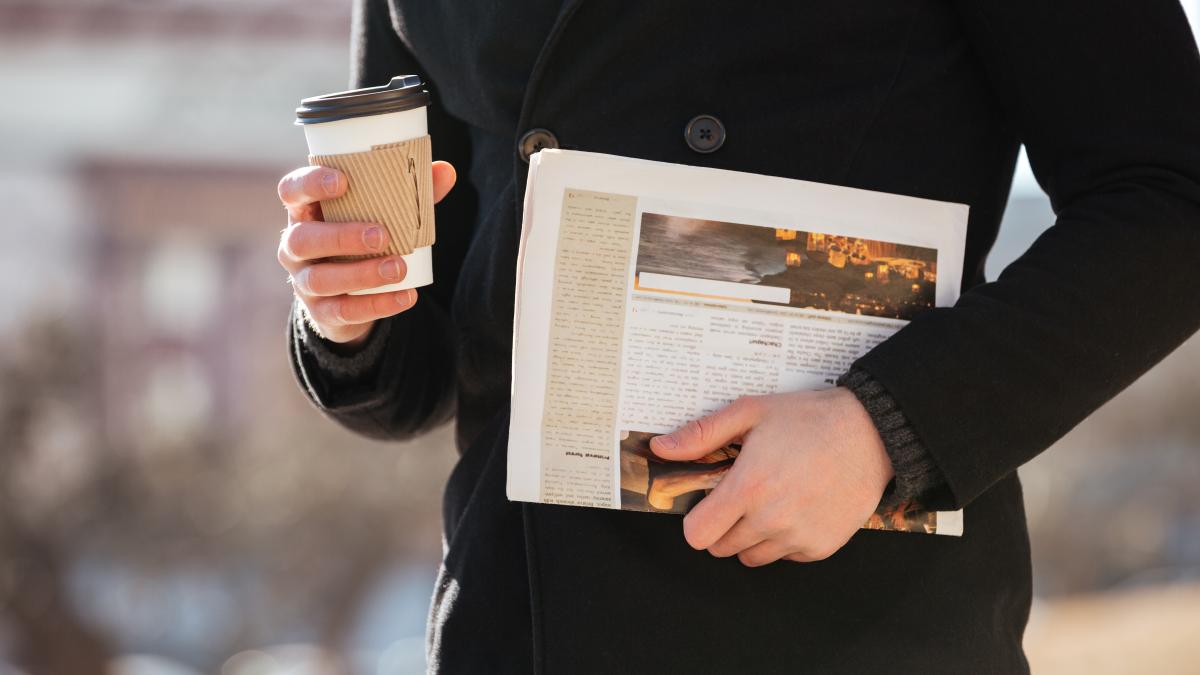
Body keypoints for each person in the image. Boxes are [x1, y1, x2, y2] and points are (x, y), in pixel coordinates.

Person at [274, 1, 1200, 672]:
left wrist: (887, 426)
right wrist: (347, 315)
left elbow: (1170, 203)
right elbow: (428, 351)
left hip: (851, 620)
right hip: (515, 616)